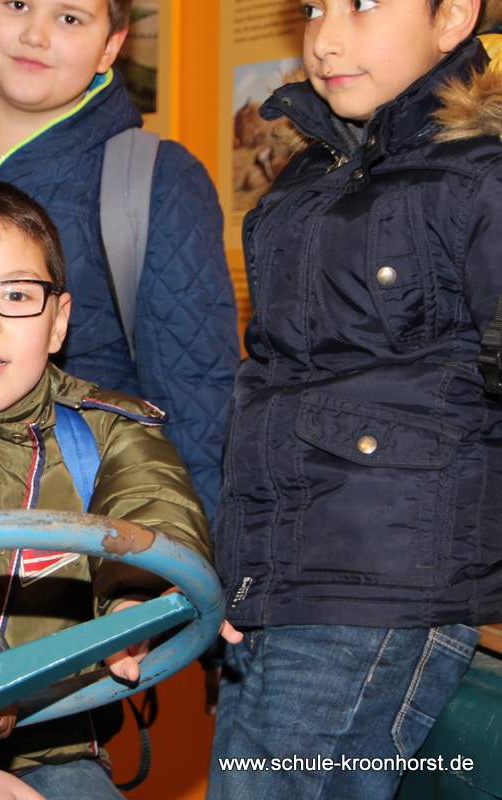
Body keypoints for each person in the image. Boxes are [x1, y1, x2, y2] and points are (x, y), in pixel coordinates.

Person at [0, 179, 240, 800]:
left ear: (58, 322)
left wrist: (134, 600)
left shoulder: (109, 434)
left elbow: (154, 508)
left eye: (17, 295)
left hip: (52, 747)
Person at [208, 2, 502, 798]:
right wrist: (243, 568)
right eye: (314, 7)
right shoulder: (315, 170)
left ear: (454, 16)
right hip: (285, 577)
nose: (327, 37)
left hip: (385, 583)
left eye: (365, 3)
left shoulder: (483, 174)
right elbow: (276, 384)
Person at [0, 0, 238, 521]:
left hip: (85, 522)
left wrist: (186, 556)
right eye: (17, 5)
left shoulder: (155, 180)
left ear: (111, 45)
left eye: (69, 17)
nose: (36, 34)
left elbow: (196, 400)